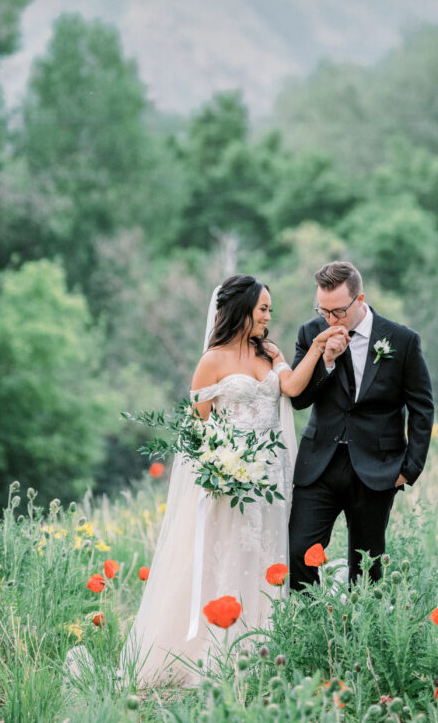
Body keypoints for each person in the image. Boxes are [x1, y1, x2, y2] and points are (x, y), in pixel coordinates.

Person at [121, 274, 345, 687]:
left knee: (267, 555)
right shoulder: (212, 361)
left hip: (271, 478)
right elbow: (197, 432)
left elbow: (293, 388)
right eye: (263, 309)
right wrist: (220, 468)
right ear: (242, 310)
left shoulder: (270, 352)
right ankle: (221, 649)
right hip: (231, 482)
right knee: (231, 557)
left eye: (270, 310)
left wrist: (315, 349)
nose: (268, 317)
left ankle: (264, 648)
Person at [288, 261, 434, 590]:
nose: (330, 319)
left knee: (366, 566)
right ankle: (314, 630)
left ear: (360, 299)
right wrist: (325, 360)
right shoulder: (311, 333)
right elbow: (299, 400)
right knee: (298, 551)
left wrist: (409, 469)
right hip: (319, 464)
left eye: (338, 311)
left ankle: (358, 638)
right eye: (323, 310)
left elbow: (422, 407)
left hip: (376, 468)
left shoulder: (402, 339)